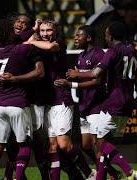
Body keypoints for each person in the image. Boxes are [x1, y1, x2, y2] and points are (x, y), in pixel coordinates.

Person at [65, 21, 137, 180]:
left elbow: (96, 74)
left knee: (100, 145)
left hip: (114, 102)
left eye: (106, 35)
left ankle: (129, 172)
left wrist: (76, 75)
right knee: (103, 145)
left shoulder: (112, 51)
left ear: (111, 36)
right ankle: (110, 175)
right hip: (128, 102)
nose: (105, 37)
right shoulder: (134, 52)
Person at [25, 19, 95, 180]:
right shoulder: (38, 43)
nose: (45, 34)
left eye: (48, 30)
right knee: (53, 146)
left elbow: (47, 46)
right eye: (42, 31)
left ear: (56, 31)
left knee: (64, 144)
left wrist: (33, 39)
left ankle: (89, 173)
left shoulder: (59, 43)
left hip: (62, 98)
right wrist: (34, 31)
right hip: (47, 101)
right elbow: (27, 43)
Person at [54, 25, 122, 179]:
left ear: (89, 38)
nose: (75, 39)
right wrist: (76, 76)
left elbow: (97, 81)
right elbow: (84, 76)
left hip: (97, 106)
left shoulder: (98, 54)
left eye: (79, 36)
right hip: (85, 106)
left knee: (98, 146)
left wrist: (73, 82)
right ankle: (113, 172)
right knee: (85, 146)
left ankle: (107, 175)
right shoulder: (81, 55)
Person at [0, 19, 44, 180]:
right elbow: (40, 73)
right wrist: (15, 79)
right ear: (10, 33)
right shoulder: (23, 50)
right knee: (24, 146)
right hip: (17, 104)